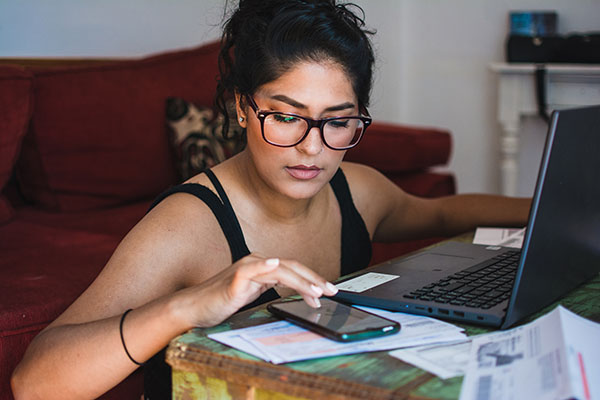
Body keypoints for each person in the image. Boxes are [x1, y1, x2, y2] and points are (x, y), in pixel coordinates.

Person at [11, 0, 531, 398]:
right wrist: (185, 307)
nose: (312, 146)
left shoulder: (357, 191)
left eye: (337, 120)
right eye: (285, 116)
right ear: (242, 109)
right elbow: (33, 383)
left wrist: (546, 209)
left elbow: (441, 211)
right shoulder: (186, 225)